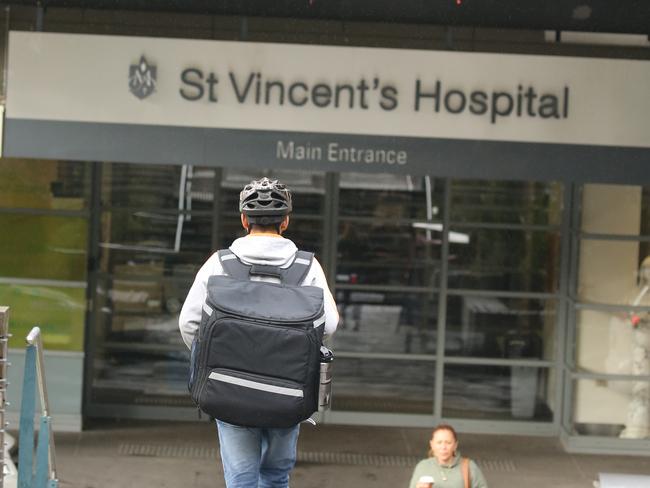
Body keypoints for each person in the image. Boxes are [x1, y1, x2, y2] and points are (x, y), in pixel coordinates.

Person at [179, 176, 339, 488]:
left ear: (243, 219)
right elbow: (329, 325)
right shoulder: (307, 266)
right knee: (276, 477)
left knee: (240, 479)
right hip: (288, 391)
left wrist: (214, 359)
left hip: (229, 387)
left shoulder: (219, 263)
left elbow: (189, 323)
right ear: (286, 222)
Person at [409, 424, 488, 488]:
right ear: (432, 445)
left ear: (455, 445)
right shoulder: (423, 467)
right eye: (439, 442)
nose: (443, 447)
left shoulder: (469, 467)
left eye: (448, 442)